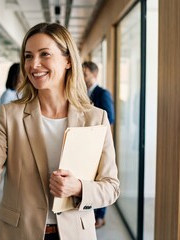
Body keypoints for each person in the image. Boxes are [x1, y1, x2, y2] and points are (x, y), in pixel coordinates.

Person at [0, 22, 120, 240]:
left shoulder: (96, 118)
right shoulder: (9, 115)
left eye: (44, 54)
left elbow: (111, 187)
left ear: (68, 60)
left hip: (75, 233)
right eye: (28, 56)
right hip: (17, 233)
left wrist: (78, 188)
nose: (34, 64)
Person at [82, 61, 115, 229]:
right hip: (86, 144)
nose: (83, 77)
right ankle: (92, 212)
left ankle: (100, 217)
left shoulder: (102, 93)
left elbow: (109, 119)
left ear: (94, 74)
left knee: (100, 179)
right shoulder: (83, 93)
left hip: (99, 142)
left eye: (85, 74)